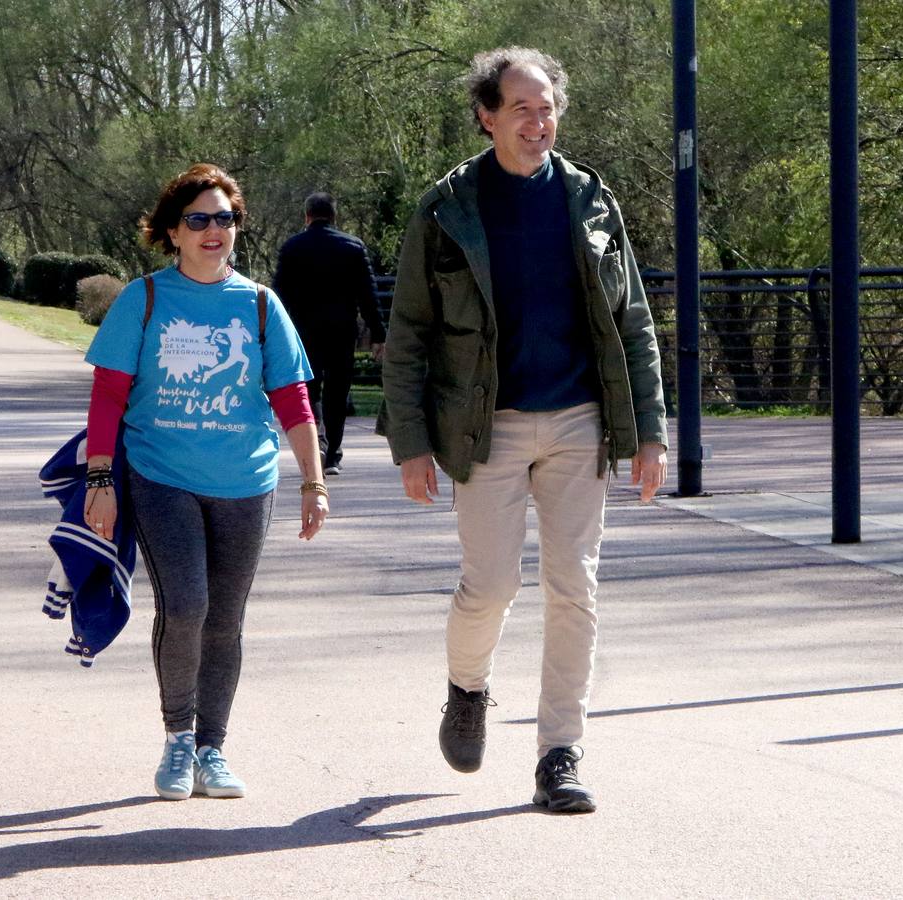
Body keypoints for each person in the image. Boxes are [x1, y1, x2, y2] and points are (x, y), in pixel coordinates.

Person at [377, 48, 668, 814]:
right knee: (492, 586)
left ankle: (558, 754)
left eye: (546, 109)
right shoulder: (446, 208)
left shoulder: (588, 198)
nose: (537, 124)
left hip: (579, 420)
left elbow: (632, 321)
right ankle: (467, 690)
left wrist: (649, 430)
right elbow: (407, 331)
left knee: (575, 588)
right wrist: (409, 441)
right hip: (486, 426)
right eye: (521, 110)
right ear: (487, 116)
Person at [83, 163, 328, 800]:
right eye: (199, 219)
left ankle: (214, 748)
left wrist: (313, 482)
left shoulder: (259, 304)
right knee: (186, 605)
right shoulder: (146, 299)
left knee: (226, 618)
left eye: (224, 218)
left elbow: (292, 398)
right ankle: (177, 740)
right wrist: (100, 478)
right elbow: (109, 395)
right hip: (161, 475)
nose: (214, 230)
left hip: (246, 482)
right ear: (173, 231)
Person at [273, 191, 385, 475]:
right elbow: (368, 296)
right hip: (341, 331)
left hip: (302, 334)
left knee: (308, 391)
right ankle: (333, 454)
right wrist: (378, 335)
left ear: (306, 216)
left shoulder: (291, 248)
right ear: (335, 217)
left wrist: (271, 337)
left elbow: (278, 297)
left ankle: (316, 446)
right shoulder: (353, 247)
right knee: (338, 392)